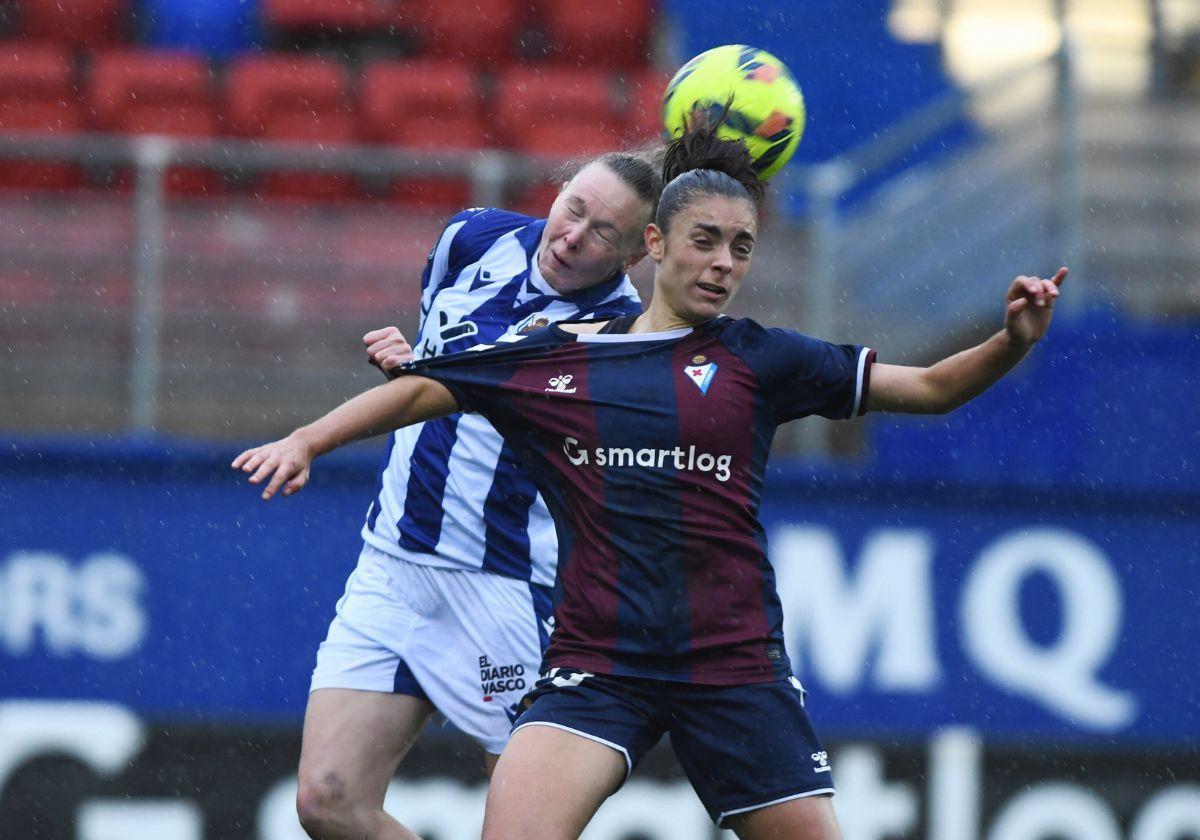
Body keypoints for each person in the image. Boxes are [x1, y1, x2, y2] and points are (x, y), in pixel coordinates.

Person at [235, 126, 1066, 839]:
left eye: (741, 247)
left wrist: (1012, 341)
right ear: (660, 247)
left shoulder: (759, 356)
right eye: (704, 239)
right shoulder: (564, 352)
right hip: (602, 661)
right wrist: (314, 434)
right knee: (351, 803)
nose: (723, 263)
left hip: (728, 659)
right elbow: (433, 385)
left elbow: (927, 389)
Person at [291, 149, 663, 840]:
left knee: (525, 828)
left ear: (633, 257)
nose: (573, 235)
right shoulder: (471, 238)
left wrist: (319, 433)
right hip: (394, 563)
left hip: (503, 588)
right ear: (558, 192)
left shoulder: (617, 334)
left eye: (603, 233)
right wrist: (412, 363)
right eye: (573, 208)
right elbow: (439, 365)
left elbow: (476, 386)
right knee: (327, 800)